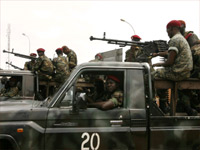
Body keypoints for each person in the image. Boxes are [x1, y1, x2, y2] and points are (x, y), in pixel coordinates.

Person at [151, 20, 193, 114]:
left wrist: (158, 64)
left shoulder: (174, 40)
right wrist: (157, 54)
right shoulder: (181, 38)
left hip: (177, 72)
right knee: (160, 73)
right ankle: (163, 103)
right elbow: (170, 53)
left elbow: (170, 62)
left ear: (171, 29)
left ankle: (159, 105)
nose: (168, 34)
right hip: (185, 72)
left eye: (168, 31)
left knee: (151, 76)